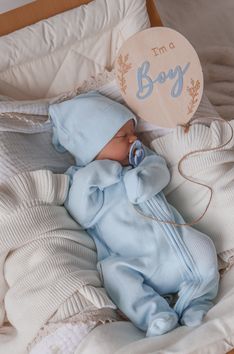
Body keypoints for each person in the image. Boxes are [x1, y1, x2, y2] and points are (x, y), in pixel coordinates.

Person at [49, 91, 219, 337]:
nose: (134, 139)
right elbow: (81, 215)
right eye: (123, 136)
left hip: (177, 249)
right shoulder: (81, 180)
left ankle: (196, 301)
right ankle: (155, 315)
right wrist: (103, 172)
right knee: (113, 275)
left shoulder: (144, 161)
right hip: (135, 262)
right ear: (93, 147)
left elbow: (160, 174)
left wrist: (137, 177)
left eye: (133, 132)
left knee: (204, 246)